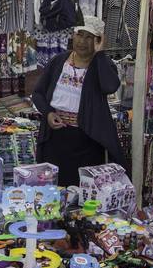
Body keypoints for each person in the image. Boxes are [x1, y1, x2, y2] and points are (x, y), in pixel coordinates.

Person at [30, 15, 123, 186]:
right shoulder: (58, 61)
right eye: (79, 34)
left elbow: (110, 86)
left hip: (87, 141)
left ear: (97, 40)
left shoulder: (102, 65)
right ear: (73, 35)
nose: (82, 41)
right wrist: (49, 113)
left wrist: (101, 53)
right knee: (54, 188)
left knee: (84, 193)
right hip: (55, 138)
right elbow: (38, 94)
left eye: (89, 37)